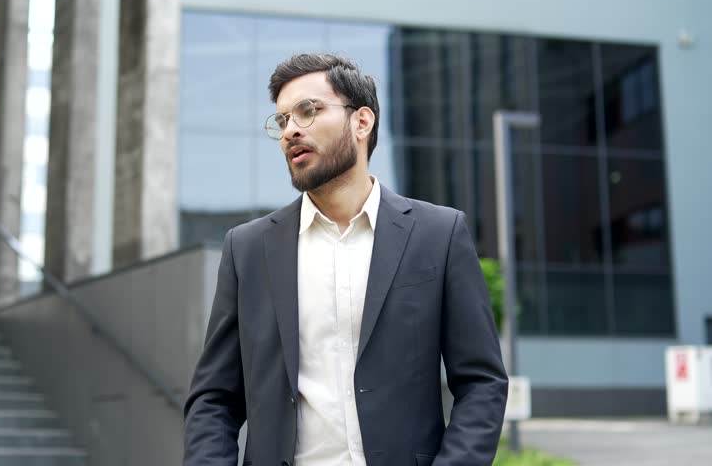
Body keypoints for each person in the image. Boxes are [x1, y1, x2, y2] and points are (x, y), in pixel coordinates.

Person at [183, 53, 508, 466]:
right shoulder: (248, 249)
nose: (291, 131)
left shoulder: (438, 235)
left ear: (362, 122)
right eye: (282, 120)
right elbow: (215, 398)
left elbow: (482, 383)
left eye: (308, 111)